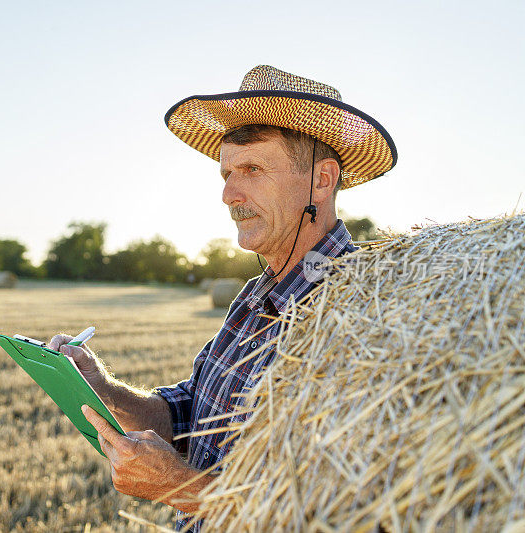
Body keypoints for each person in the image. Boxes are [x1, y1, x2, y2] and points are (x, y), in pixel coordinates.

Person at [47, 65, 397, 531]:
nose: (230, 194)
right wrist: (101, 387)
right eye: (226, 173)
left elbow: (338, 512)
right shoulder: (251, 299)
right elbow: (191, 414)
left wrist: (183, 488)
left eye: (252, 169)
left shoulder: (364, 316)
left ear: (321, 180)